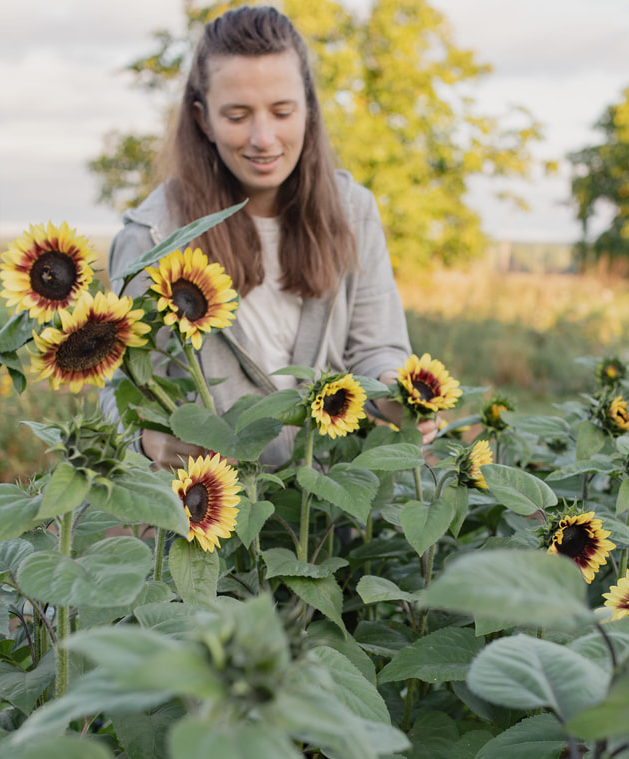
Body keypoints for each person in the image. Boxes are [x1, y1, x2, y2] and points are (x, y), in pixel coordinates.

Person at [100, 5, 436, 469]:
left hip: (321, 514)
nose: (263, 137)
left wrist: (398, 394)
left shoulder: (352, 211)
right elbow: (118, 392)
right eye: (237, 115)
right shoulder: (153, 239)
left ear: (308, 109)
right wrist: (148, 442)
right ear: (203, 119)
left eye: (282, 111)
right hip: (209, 513)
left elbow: (375, 347)